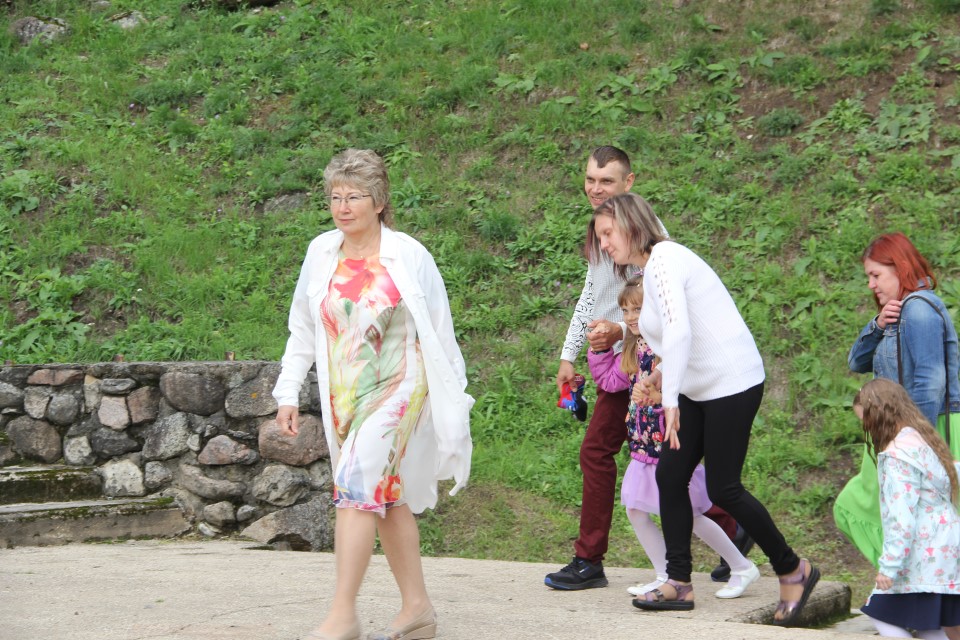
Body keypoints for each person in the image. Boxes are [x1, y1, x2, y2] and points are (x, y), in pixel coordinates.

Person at [587, 192, 818, 625]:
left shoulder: (665, 260)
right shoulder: (650, 270)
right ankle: (678, 581)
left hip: (732, 383)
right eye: (599, 236)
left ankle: (793, 569)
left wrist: (670, 399)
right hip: (698, 387)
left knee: (724, 488)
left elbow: (679, 331)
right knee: (670, 475)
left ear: (631, 225)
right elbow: (679, 338)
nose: (603, 244)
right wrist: (659, 379)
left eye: (607, 233)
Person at [272, 149, 473, 640]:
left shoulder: (408, 255)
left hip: (400, 385)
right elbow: (302, 327)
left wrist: (454, 403)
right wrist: (288, 391)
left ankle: (343, 616)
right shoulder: (321, 252)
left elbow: (440, 332)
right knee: (384, 494)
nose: (342, 208)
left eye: (354, 197)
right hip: (345, 392)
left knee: (356, 485)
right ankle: (418, 609)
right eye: (335, 197)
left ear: (379, 201)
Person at [545, 146, 752, 590]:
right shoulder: (601, 235)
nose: (596, 189)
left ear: (629, 184)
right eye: (590, 180)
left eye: (606, 181)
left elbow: (662, 313)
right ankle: (728, 528)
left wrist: (623, 334)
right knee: (641, 459)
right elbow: (590, 296)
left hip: (646, 364)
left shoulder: (650, 241)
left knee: (650, 460)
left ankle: (595, 559)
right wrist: (568, 354)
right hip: (617, 361)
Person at [587, 276, 760, 604]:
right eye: (625, 311)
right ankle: (665, 574)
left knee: (690, 515)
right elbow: (610, 382)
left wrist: (654, 394)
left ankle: (741, 566)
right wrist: (599, 350)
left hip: (669, 442)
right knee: (635, 509)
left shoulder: (667, 348)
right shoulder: (634, 347)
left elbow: (683, 389)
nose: (631, 317)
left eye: (638, 309)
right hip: (643, 446)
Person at [836, 232, 960, 567]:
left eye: (876, 275)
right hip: (897, 429)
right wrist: (877, 326)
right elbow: (856, 362)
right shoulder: (899, 314)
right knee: (884, 510)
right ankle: (911, 580)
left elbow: (930, 381)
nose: (871, 285)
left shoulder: (919, 311)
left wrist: (914, 441)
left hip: (921, 427)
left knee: (884, 510)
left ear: (899, 266)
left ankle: (912, 582)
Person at [853, 378, 960, 640]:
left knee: (880, 614)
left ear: (878, 416)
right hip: (942, 551)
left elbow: (901, 519)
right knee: (928, 626)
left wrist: (889, 566)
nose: (865, 428)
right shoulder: (920, 438)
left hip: (921, 555)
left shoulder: (896, 456)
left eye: (865, 420)